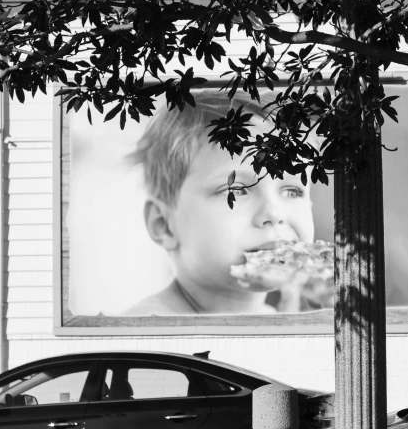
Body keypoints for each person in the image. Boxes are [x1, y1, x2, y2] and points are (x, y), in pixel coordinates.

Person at [122, 90, 317, 315]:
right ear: (163, 225)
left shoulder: (279, 314)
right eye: (235, 190)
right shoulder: (147, 328)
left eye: (292, 191)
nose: (274, 213)